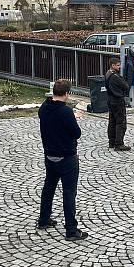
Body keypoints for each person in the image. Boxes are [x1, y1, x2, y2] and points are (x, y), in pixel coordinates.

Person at [37, 79, 87, 241]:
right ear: (67, 94)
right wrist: (73, 118)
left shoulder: (44, 108)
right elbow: (76, 133)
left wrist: (71, 116)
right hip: (66, 157)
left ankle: (44, 219)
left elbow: (55, 120)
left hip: (49, 155)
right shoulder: (65, 112)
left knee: (49, 187)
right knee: (69, 192)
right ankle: (71, 230)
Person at [105, 57, 131, 152]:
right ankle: (119, 143)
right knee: (120, 122)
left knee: (112, 121)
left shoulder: (108, 74)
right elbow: (126, 86)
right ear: (113, 65)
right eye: (118, 65)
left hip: (110, 100)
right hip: (118, 100)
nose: (119, 67)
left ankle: (111, 141)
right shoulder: (115, 76)